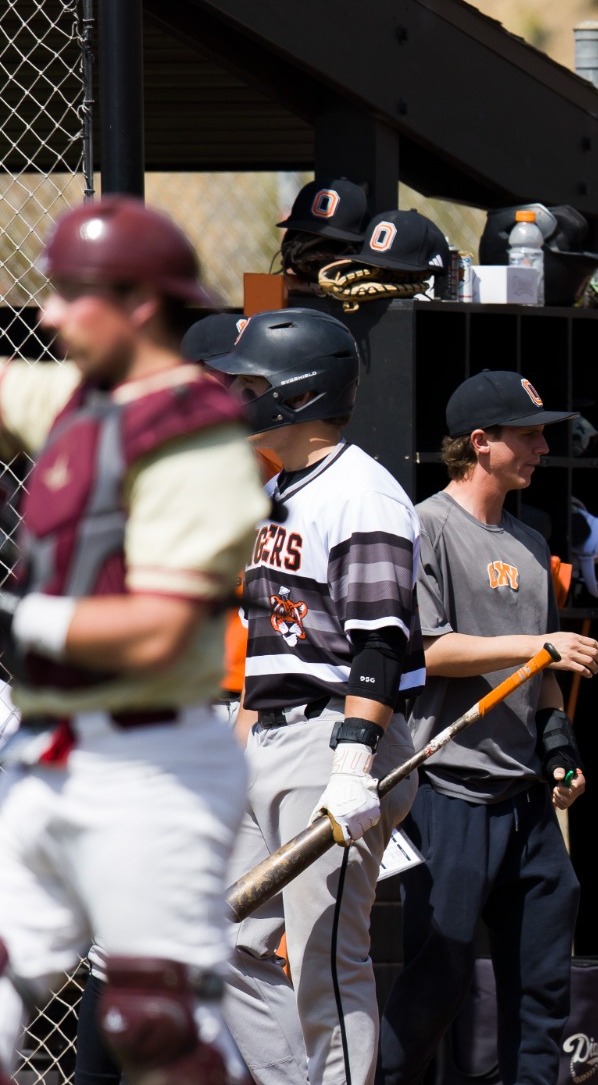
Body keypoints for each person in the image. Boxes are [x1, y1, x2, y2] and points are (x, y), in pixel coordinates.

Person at [0, 196, 267, 1085]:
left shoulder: (197, 438)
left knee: (152, 1025)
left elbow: (157, 630)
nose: (49, 314)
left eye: (74, 294)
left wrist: (20, 618)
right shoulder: (86, 400)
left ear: (140, 304)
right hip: (44, 749)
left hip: (151, 761)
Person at [205, 308, 426, 1085]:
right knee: (217, 937)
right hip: (272, 737)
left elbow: (379, 643)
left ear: (298, 395)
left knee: (327, 960)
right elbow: (273, 646)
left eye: (251, 383)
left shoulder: (363, 493)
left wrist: (353, 763)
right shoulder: (283, 487)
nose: (236, 396)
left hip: (333, 743)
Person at [377, 371, 598, 1085]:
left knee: (543, 988)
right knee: (436, 981)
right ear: (480, 442)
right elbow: (429, 649)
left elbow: (539, 682)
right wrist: (536, 647)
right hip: (446, 791)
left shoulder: (532, 542)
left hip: (525, 802)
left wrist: (560, 750)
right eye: (528, 432)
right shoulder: (426, 527)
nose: (543, 446)